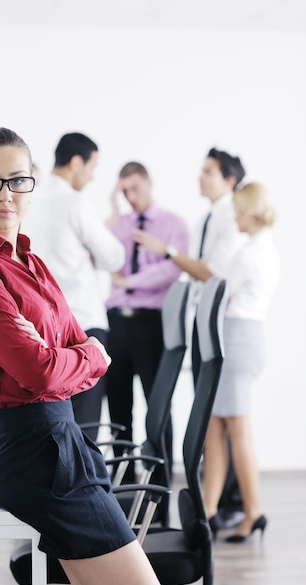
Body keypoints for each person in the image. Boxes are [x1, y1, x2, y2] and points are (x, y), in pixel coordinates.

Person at [0, 127, 174, 585]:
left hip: (67, 446)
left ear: (31, 186)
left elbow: (72, 348)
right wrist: (80, 355)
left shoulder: (33, 262)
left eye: (17, 181)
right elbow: (42, 371)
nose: (4, 193)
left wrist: (72, 353)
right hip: (36, 456)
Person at [134, 147, 247, 524]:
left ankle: (229, 502)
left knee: (222, 416)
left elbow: (211, 273)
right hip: (200, 324)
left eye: (208, 171)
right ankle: (216, 500)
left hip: (221, 325)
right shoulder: (205, 220)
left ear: (229, 180)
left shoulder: (233, 217)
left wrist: (167, 252)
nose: (200, 176)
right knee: (209, 415)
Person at [24, 132, 125, 439]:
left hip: (40, 329)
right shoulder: (74, 202)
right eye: (92, 167)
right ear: (77, 162)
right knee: (84, 429)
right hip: (82, 326)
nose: (93, 177)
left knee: (50, 424)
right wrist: (90, 252)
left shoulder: (27, 202)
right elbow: (114, 255)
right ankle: (82, 488)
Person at [203, 182, 280, 542]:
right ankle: (208, 510)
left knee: (237, 429)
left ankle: (254, 511)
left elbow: (220, 288)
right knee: (216, 427)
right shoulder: (261, 247)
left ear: (250, 212)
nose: (234, 217)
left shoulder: (252, 252)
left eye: (238, 210)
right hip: (240, 336)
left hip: (239, 337)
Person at [106, 161, 189, 481]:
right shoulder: (119, 223)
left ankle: (159, 487)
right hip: (116, 323)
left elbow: (172, 269)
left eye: (134, 188)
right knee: (117, 410)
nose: (130, 196)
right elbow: (100, 254)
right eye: (123, 190)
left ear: (149, 182)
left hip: (151, 324)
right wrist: (112, 207)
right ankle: (124, 491)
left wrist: (130, 282)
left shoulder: (173, 224)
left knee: (158, 410)